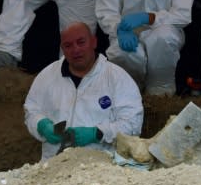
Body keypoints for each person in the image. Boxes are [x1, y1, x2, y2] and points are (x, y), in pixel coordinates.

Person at [24, 22, 143, 160]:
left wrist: (98, 133)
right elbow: (31, 110)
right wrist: (40, 124)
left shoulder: (117, 78)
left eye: (81, 42)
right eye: (68, 45)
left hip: (101, 167)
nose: (75, 50)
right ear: (62, 48)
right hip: (53, 165)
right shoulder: (47, 76)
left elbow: (133, 124)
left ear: (94, 42)